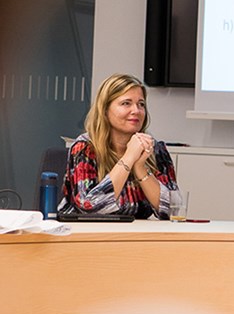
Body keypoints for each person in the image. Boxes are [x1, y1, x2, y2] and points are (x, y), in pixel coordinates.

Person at [58, 73, 177, 219]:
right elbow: (90, 207)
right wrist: (129, 157)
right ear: (105, 110)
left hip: (134, 236)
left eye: (141, 104)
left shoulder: (155, 150)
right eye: (126, 103)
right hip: (86, 235)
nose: (136, 111)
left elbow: (174, 211)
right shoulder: (85, 147)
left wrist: (140, 168)